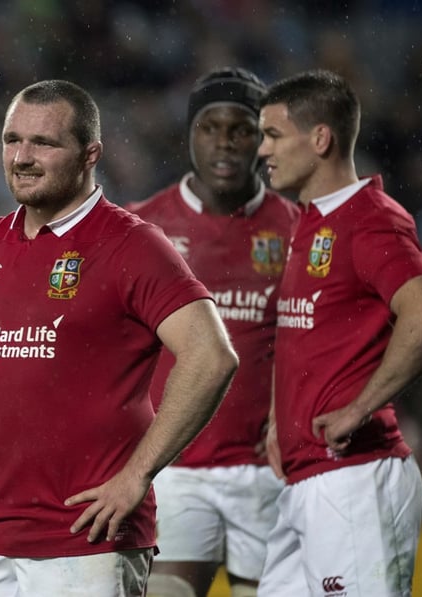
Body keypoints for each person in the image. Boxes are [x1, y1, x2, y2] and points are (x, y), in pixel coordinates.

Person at [0, 79, 239, 596]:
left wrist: (137, 476)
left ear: (90, 154)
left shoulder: (132, 245)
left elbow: (211, 357)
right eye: (12, 140)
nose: (22, 157)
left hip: (90, 541)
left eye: (44, 143)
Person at [257, 69, 422, 595]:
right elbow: (307, 335)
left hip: (356, 478)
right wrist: (281, 418)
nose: (263, 150)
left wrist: (359, 407)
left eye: (273, 135)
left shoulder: (369, 218)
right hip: (303, 480)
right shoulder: (309, 223)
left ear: (320, 138)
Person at [126, 67, 298, 597]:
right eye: (209, 127)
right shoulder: (143, 227)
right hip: (176, 468)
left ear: (263, 140)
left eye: (241, 129)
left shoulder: (299, 229)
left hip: (269, 469)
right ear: (189, 136)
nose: (225, 142)